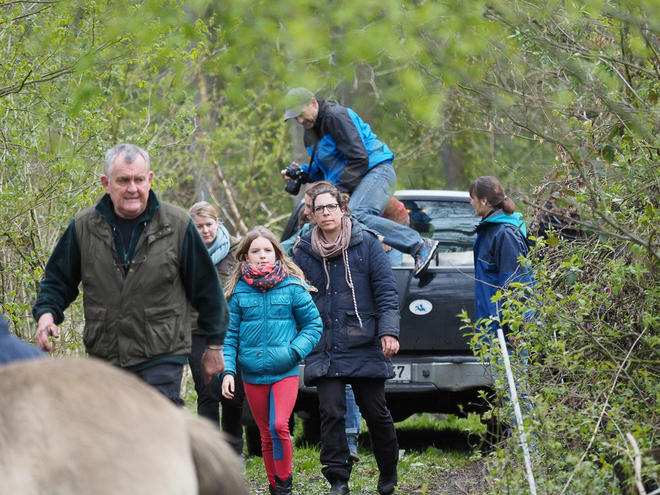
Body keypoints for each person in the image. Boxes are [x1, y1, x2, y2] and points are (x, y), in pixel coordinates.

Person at [32, 143, 228, 405]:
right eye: (123, 180)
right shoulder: (84, 227)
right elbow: (57, 280)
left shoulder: (178, 225)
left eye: (138, 179)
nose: (132, 188)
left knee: (155, 432)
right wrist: (47, 315)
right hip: (106, 355)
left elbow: (207, 290)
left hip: (161, 353)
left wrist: (214, 346)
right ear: (106, 183)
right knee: (113, 437)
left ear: (150, 180)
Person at [294, 186, 400, 495]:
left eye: (331, 207)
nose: (326, 213)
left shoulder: (367, 244)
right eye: (319, 209)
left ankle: (388, 472)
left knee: (376, 412)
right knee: (331, 411)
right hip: (325, 343)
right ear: (311, 215)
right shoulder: (302, 250)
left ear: (343, 209)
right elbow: (296, 295)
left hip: (365, 340)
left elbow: (386, 292)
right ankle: (338, 479)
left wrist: (388, 331)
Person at [282, 87, 439, 278]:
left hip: (376, 171)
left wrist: (335, 193)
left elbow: (359, 158)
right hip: (359, 177)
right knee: (344, 217)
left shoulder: (336, 116)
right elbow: (325, 170)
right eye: (295, 118)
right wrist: (302, 173)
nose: (299, 121)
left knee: (357, 213)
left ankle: (419, 244)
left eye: (300, 114)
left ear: (313, 103)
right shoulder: (310, 131)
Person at [221, 227, 323, 495]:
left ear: (278, 255)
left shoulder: (292, 286)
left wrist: (293, 353)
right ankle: (275, 486)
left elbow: (313, 325)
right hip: (252, 374)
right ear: (245, 256)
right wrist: (229, 371)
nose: (262, 256)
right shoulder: (238, 292)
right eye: (256, 251)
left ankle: (285, 485)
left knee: (279, 426)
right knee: (265, 433)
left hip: (284, 371)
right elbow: (229, 336)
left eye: (268, 250)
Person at [469, 175, 535, 434]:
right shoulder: (490, 229)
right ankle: (518, 456)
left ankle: (532, 456)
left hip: (507, 330)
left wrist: (515, 329)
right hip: (494, 327)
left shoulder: (505, 234)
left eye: (473, 199)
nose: (471, 203)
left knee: (517, 394)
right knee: (508, 394)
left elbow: (516, 285)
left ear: (485, 200)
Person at [188, 201, 245, 455]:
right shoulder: (185, 250)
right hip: (196, 329)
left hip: (232, 330)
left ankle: (233, 451)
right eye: (198, 226)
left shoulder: (238, 250)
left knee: (233, 394)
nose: (205, 231)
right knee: (207, 392)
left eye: (209, 225)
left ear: (217, 223)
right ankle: (210, 453)